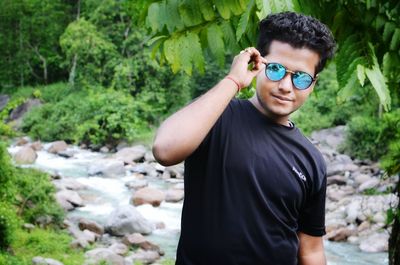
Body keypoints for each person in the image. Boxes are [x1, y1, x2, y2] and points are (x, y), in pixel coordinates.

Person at [152, 11, 336, 265]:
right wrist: (233, 80)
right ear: (257, 64)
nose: (285, 85)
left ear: (313, 84)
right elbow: (164, 150)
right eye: (275, 69)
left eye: (301, 77)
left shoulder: (312, 160)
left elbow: (312, 249)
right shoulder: (215, 116)